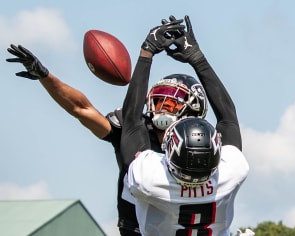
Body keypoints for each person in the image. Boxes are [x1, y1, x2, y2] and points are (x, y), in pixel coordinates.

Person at [5, 17, 208, 236]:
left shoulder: (202, 146)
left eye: (170, 102)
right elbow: (81, 109)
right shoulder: (135, 128)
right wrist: (45, 76)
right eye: (158, 100)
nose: (161, 108)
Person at [120, 15, 249, 235]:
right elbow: (228, 119)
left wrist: (147, 52)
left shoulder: (150, 179)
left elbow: (131, 121)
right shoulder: (232, 171)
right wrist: (197, 58)